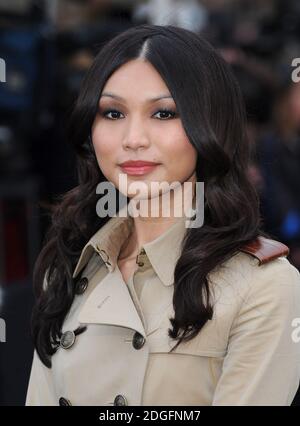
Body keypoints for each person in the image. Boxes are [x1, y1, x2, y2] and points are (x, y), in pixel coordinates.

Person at [26, 24, 300, 406]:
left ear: (211, 124)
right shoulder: (69, 267)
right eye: (113, 112)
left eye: (164, 113)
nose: (133, 138)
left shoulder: (264, 287)